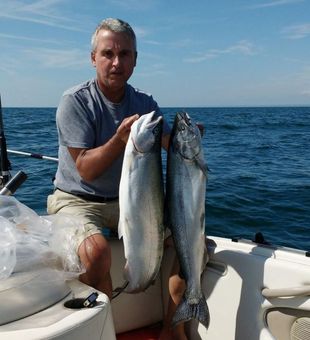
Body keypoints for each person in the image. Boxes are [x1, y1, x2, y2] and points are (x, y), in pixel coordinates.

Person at [47, 18, 187, 339]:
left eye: (125, 54)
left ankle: (171, 330)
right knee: (97, 253)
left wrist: (185, 140)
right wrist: (119, 140)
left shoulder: (145, 104)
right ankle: (102, 333)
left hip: (130, 200)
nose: (116, 62)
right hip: (78, 198)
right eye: (108, 53)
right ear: (93, 58)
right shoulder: (76, 102)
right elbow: (85, 168)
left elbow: (167, 142)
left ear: (135, 60)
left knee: (191, 245)